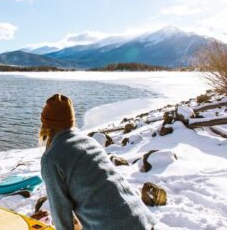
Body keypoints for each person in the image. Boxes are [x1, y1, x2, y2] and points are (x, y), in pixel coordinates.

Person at [39, 93, 156, 230]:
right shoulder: (90, 142)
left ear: (45, 126)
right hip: (141, 219)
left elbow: (60, 213)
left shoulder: (51, 158)